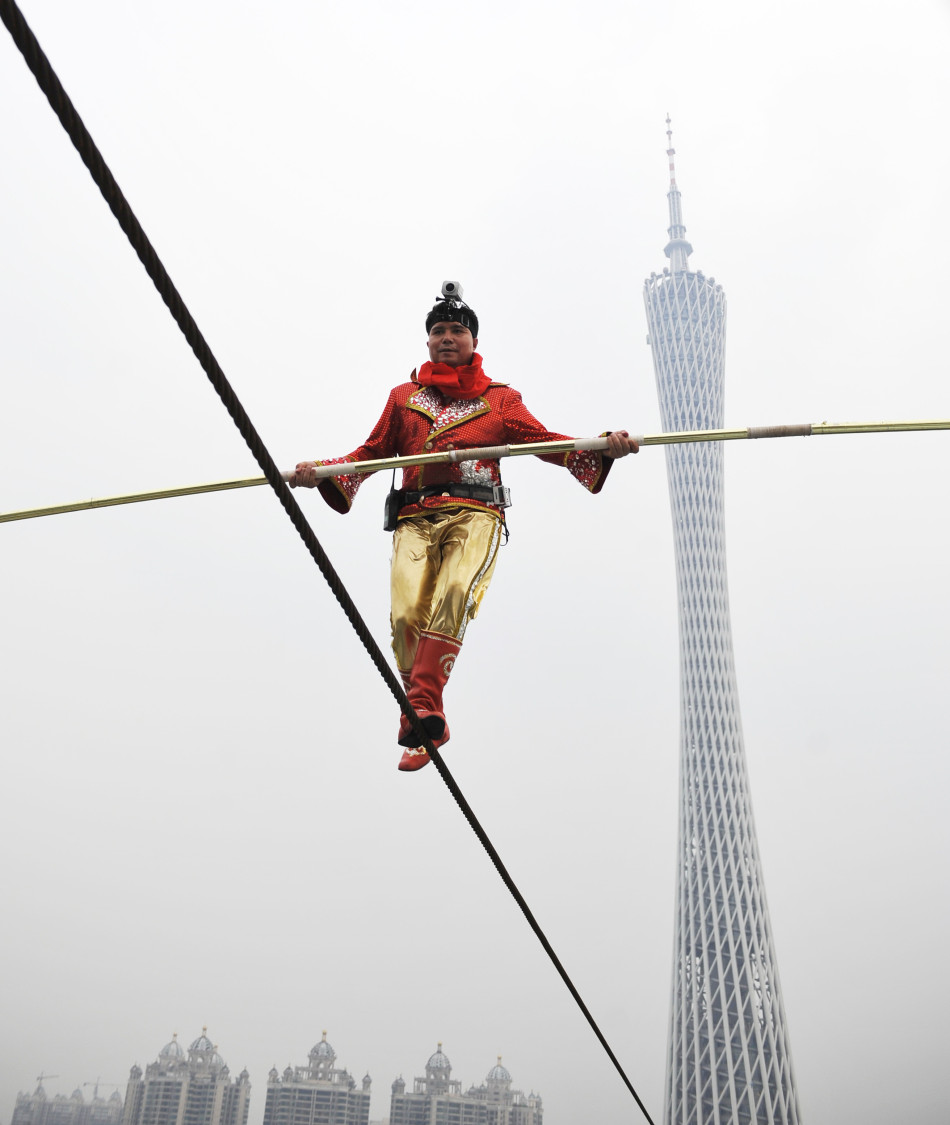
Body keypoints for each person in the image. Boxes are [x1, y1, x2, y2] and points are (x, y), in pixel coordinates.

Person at [290, 286, 638, 772]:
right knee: (407, 615)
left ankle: (423, 703)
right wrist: (324, 472)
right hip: (415, 516)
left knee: (455, 591)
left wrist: (600, 446)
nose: (447, 338)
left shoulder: (499, 400)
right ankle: (422, 717)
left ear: (474, 340)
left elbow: (544, 441)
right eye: (438, 331)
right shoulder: (404, 397)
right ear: (427, 342)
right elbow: (369, 454)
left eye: (457, 331)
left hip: (475, 512)